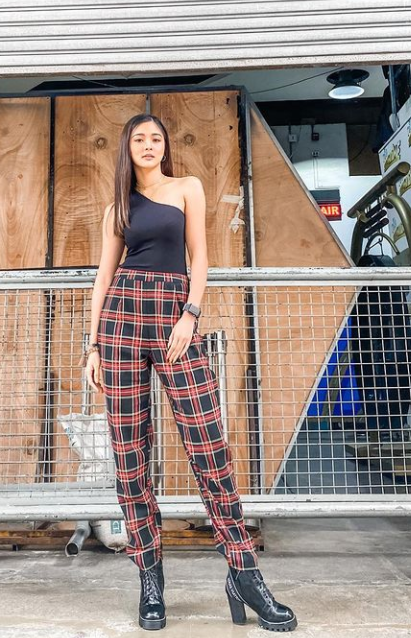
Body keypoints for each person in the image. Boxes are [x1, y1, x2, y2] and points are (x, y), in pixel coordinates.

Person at [82, 112, 297, 633]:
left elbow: (199, 257)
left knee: (208, 444)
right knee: (130, 454)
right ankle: (150, 580)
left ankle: (244, 573)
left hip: (174, 318)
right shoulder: (118, 207)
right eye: (139, 139)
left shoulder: (187, 188)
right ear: (127, 148)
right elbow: (103, 278)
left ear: (165, 146)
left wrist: (190, 314)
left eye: (156, 138)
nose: (148, 145)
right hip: (121, 323)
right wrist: (92, 347)